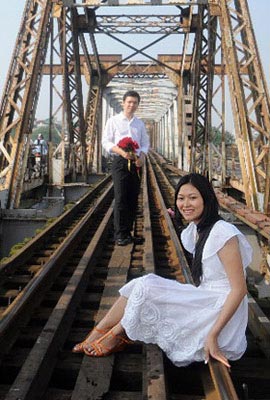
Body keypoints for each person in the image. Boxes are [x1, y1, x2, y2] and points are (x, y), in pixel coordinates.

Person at [72, 173, 252, 368]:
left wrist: (213, 334)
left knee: (148, 288)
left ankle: (115, 336)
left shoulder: (223, 233)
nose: (185, 204)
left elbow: (239, 290)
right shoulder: (198, 229)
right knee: (141, 284)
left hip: (220, 310)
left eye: (193, 198)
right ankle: (100, 330)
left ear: (206, 199)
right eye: (181, 199)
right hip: (207, 298)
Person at [102, 90, 150, 246]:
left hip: (136, 164)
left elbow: (144, 144)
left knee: (132, 198)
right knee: (121, 197)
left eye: (135, 102)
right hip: (120, 162)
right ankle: (119, 234)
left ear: (138, 105)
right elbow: (106, 142)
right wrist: (122, 152)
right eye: (129, 102)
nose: (131, 105)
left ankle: (128, 233)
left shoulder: (139, 124)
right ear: (123, 103)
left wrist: (142, 156)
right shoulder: (113, 121)